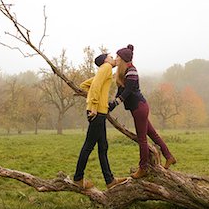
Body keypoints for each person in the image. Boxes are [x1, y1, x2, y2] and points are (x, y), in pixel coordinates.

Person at [109, 44, 177, 179]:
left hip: (140, 108)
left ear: (123, 59)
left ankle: (143, 168)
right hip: (138, 108)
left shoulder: (132, 71)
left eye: (117, 57)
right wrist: (111, 104)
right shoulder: (124, 72)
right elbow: (120, 92)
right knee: (153, 134)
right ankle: (169, 157)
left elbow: (128, 91)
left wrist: (116, 103)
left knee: (142, 139)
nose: (116, 59)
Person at [73, 53, 127, 189]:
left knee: (103, 147)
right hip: (96, 112)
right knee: (89, 146)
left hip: (98, 111)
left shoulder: (102, 71)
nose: (113, 59)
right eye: (110, 56)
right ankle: (78, 179)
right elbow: (96, 85)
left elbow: (84, 85)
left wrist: (92, 100)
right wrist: (94, 105)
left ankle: (110, 181)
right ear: (105, 60)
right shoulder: (106, 67)